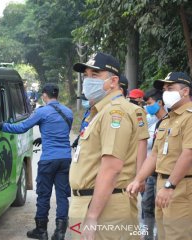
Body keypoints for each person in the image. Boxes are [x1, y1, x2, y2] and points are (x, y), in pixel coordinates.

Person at [69, 52, 149, 239]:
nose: (88, 80)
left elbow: (111, 168)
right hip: (94, 202)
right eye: (87, 75)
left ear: (113, 82)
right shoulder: (100, 112)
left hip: (104, 208)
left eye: (95, 75)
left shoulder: (115, 113)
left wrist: (92, 216)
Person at [1, 83, 73, 240]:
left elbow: (21, 128)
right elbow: (61, 133)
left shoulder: (42, 112)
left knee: (44, 194)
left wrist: (2, 126)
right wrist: (44, 137)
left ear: (44, 95)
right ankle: (60, 233)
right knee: (62, 195)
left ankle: (41, 231)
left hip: (48, 160)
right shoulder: (68, 112)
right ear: (57, 95)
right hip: (65, 158)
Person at [127, 72, 192, 240]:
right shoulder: (167, 120)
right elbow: (155, 154)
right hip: (162, 185)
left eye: (170, 88)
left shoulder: (190, 118)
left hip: (181, 186)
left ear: (185, 91)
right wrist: (139, 179)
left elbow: (188, 153)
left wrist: (170, 186)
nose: (165, 92)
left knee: (178, 235)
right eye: (164, 89)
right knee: (162, 234)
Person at [140, 88, 168, 240]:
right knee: (147, 205)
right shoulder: (156, 124)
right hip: (152, 174)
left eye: (149, 103)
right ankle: (148, 236)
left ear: (159, 102)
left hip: (165, 175)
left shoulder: (171, 121)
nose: (147, 107)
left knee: (163, 209)